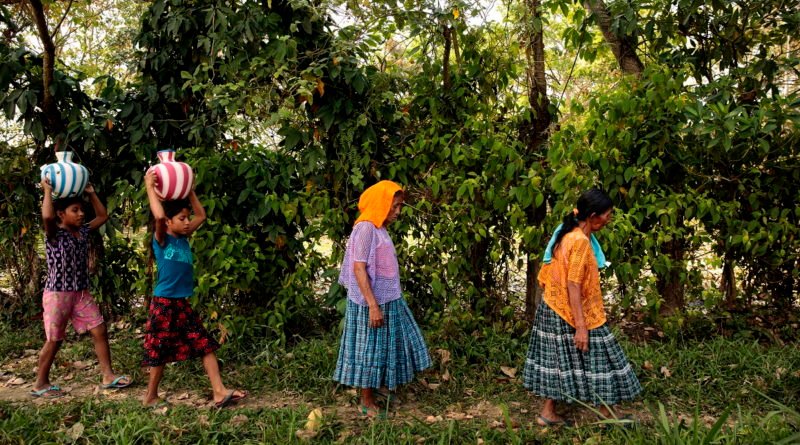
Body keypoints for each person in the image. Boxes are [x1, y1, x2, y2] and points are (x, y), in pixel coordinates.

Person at [523, 188, 641, 426]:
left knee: (558, 361)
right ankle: (606, 413)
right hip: (570, 310)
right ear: (593, 216)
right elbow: (573, 285)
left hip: (555, 306)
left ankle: (549, 412)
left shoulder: (570, 233)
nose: (609, 220)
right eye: (607, 215)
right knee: (601, 358)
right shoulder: (578, 242)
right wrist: (581, 326)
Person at [142, 170, 246, 408]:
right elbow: (158, 217)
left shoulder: (184, 236)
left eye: (187, 218)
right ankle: (150, 396)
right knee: (159, 352)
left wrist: (188, 190)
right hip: (164, 304)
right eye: (181, 218)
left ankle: (219, 391)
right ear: (169, 222)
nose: (188, 222)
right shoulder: (162, 239)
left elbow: (202, 214)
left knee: (204, 343)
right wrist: (150, 186)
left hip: (181, 304)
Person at [333, 180, 432, 418]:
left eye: (399, 207)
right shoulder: (366, 228)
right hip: (372, 303)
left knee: (388, 347)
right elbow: (359, 269)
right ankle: (367, 401)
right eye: (394, 206)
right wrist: (373, 306)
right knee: (371, 351)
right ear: (381, 203)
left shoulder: (378, 227)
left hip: (388, 299)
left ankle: (379, 390)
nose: (397, 212)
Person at [33, 178, 131, 398]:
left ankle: (108, 376)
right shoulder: (54, 235)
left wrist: (92, 192)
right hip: (58, 295)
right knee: (55, 340)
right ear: (61, 214)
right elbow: (47, 216)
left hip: (80, 293)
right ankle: (40, 383)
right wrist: (47, 191)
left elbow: (103, 216)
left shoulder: (83, 232)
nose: (80, 214)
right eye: (74, 210)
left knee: (99, 329)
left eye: (81, 210)